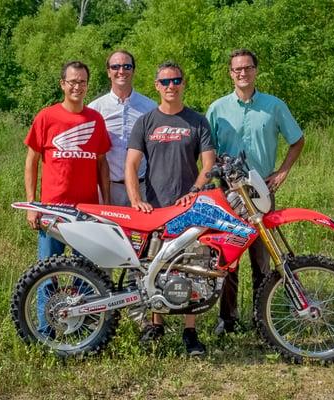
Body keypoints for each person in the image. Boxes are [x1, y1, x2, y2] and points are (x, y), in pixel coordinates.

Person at [206, 49, 304, 334]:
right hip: (228, 193)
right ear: (230, 73)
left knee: (262, 258)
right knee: (228, 258)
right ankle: (228, 319)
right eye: (237, 69)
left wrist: (283, 171)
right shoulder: (217, 109)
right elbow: (207, 149)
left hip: (261, 189)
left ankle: (263, 320)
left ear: (255, 71)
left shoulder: (273, 106)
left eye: (247, 68)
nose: (242, 73)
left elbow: (297, 140)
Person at [125, 61, 216, 355]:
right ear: (156, 86)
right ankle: (156, 325)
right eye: (165, 82)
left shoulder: (198, 121)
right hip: (156, 209)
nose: (171, 86)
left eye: (176, 81)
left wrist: (194, 192)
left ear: (183, 83)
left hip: (190, 207)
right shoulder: (146, 121)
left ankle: (190, 331)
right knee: (155, 267)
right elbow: (132, 164)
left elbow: (208, 165)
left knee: (193, 268)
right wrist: (136, 198)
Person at [24, 60, 111, 335]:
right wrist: (32, 204)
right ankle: (45, 331)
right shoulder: (46, 117)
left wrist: (105, 205)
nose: (77, 86)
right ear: (62, 84)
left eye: (82, 82)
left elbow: (102, 164)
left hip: (86, 210)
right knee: (47, 271)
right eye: (72, 81)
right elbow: (31, 161)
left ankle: (82, 329)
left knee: (86, 272)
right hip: (52, 210)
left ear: (87, 85)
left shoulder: (94, 119)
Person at [89, 50, 156, 206]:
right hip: (108, 189)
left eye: (127, 66)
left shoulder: (150, 107)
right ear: (108, 72)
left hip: (143, 187)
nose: (121, 71)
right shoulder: (95, 108)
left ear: (133, 70)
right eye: (115, 67)